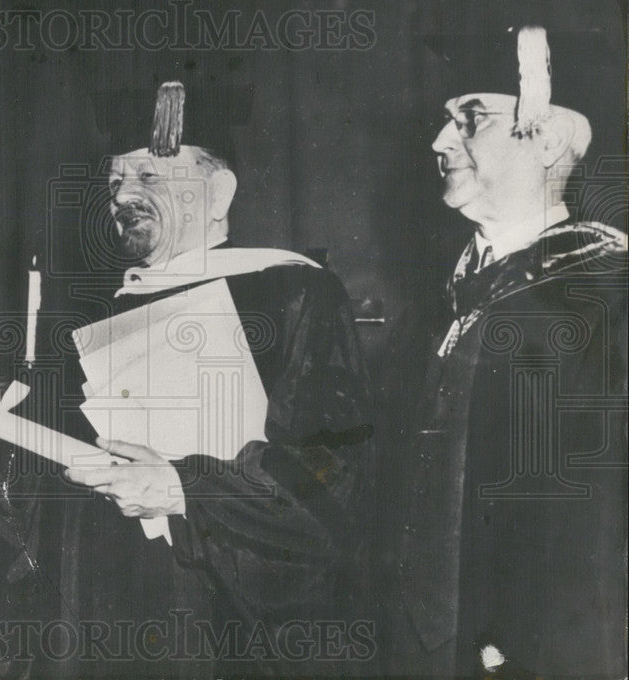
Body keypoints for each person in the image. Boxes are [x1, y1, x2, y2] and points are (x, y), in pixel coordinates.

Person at [47, 81, 373, 678]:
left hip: (240, 627)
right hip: (122, 619)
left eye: (149, 176)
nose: (123, 196)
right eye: (114, 181)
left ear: (218, 193)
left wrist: (186, 487)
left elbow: (334, 474)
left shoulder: (291, 294)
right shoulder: (101, 314)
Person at [376, 20, 628, 678]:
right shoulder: (432, 311)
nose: (440, 140)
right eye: (446, 119)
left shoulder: (605, 302)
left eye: (470, 118)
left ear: (546, 138)